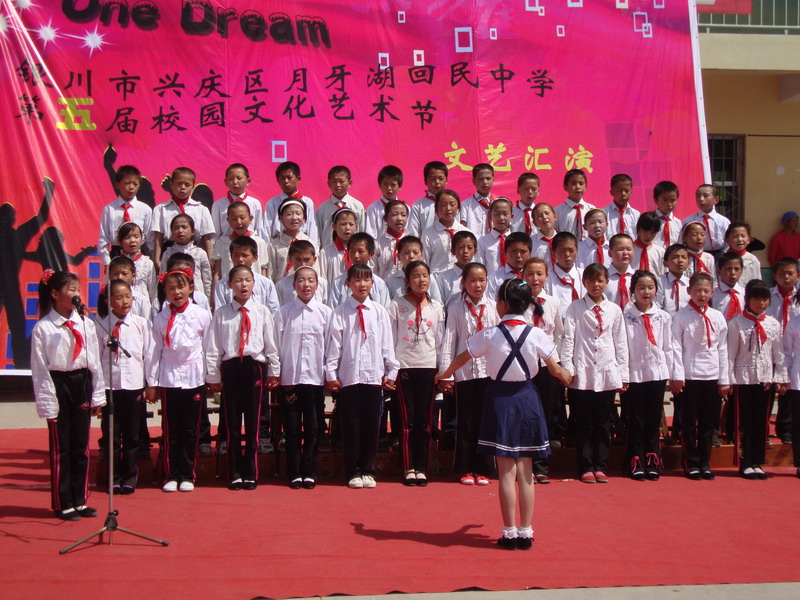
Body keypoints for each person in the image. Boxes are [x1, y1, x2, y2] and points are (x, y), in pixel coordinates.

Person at [436, 278, 572, 550]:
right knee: (526, 471)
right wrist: (566, 375)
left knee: (506, 471)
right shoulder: (536, 334)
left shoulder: (490, 334)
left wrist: (445, 374)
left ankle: (509, 532)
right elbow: (555, 369)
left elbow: (463, 356)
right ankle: (526, 531)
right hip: (527, 401)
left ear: (502, 304)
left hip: (500, 401)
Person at [31, 270, 105, 520]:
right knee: (61, 447)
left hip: (81, 381)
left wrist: (97, 394)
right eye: (71, 290)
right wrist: (48, 404)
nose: (76, 294)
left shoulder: (85, 323)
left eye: (78, 290)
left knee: (80, 445)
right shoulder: (44, 328)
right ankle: (63, 502)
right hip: (58, 384)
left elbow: (95, 361)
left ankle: (80, 500)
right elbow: (40, 369)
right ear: (54, 294)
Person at [206, 265, 280, 491]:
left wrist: (274, 371)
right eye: (238, 280)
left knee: (254, 422)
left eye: (247, 280)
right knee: (232, 424)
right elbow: (214, 347)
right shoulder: (222, 313)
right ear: (230, 285)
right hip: (231, 367)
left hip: (254, 367)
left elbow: (271, 344)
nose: (243, 285)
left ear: (254, 283)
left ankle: (251, 472)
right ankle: (234, 472)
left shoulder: (262, 311)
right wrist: (213, 375)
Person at [325, 264, 399, 489]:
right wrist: (331, 373)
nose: (362, 284)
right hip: (349, 376)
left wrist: (391, 371)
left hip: (373, 376)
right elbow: (334, 346)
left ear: (372, 283)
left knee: (372, 425)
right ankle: (352, 471)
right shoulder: (340, 312)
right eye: (357, 280)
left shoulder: (379, 312)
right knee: (351, 426)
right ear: (348, 284)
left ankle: (368, 469)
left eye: (366, 280)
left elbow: (387, 344)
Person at [561, 263, 629, 483]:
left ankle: (601, 465)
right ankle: (585, 466)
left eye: (600, 280)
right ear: (584, 282)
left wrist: (623, 374)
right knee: (584, 422)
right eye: (591, 280)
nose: (596, 285)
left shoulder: (614, 310)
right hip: (583, 372)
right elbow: (568, 339)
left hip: (606, 372)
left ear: (607, 282)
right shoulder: (575, 308)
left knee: (603, 422)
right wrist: (568, 367)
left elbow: (620, 342)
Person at [149, 266, 212, 493]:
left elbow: (209, 348)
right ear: (165, 291)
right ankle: (171, 474)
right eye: (171, 288)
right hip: (169, 377)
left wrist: (211, 376)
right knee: (171, 429)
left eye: (181, 287)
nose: (176, 292)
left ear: (191, 288)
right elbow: (154, 352)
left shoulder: (202, 315)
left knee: (189, 429)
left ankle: (187, 474)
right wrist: (152, 382)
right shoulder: (160, 319)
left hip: (194, 377)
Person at [439, 263, 499, 485]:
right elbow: (449, 341)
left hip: (488, 373)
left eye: (481, 280)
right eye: (472, 280)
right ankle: (465, 468)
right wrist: (447, 374)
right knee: (465, 422)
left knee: (485, 421)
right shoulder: (456, 308)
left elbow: (499, 340)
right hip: (464, 373)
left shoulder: (493, 307)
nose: (477, 285)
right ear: (463, 283)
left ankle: (484, 468)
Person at [96, 279, 156, 494]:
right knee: (112, 435)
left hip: (133, 386)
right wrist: (97, 390)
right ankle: (113, 476)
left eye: (128, 296)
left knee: (132, 435)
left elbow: (149, 355)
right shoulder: (101, 326)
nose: (125, 301)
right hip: (110, 388)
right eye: (119, 297)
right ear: (108, 300)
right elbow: (96, 359)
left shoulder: (141, 324)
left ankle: (129, 476)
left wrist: (151, 384)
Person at [275, 267, 333, 488]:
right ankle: (294, 471)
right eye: (301, 280)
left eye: (310, 280)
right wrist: (276, 373)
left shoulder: (325, 313)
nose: (306, 285)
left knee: (313, 427)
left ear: (317, 285)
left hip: (315, 379)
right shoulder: (283, 313)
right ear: (294, 285)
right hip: (290, 379)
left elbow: (330, 347)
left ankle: (309, 470)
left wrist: (329, 373)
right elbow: (276, 346)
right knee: (291, 428)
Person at [388, 261, 445, 486]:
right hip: (405, 367)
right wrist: (391, 369)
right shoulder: (397, 305)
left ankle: (422, 467)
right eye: (416, 276)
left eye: (425, 276)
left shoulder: (436, 306)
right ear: (407, 281)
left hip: (428, 367)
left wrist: (442, 370)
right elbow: (390, 339)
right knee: (407, 421)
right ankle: (408, 467)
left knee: (425, 421)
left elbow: (440, 341)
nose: (421, 280)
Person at [670, 272, 730, 480]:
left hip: (711, 375)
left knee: (708, 423)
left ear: (712, 292)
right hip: (690, 376)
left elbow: (723, 349)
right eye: (697, 290)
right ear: (689, 291)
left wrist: (724, 379)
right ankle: (690, 462)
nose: (701, 295)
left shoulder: (717, 316)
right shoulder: (681, 317)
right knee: (688, 423)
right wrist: (678, 376)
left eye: (706, 291)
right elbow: (676, 347)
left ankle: (705, 462)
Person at [728, 280, 788, 479]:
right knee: (744, 421)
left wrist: (781, 377)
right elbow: (731, 354)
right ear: (747, 300)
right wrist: (728, 379)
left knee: (761, 422)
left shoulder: (772, 324)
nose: (761, 303)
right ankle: (744, 461)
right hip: (743, 379)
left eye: (765, 299)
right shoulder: (737, 323)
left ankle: (757, 461)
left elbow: (778, 353)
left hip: (765, 379)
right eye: (757, 299)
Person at [622, 270, 674, 480]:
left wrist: (672, 373)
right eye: (641, 287)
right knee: (636, 419)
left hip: (657, 372)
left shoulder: (663, 317)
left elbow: (668, 346)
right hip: (635, 373)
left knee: (653, 419)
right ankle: (636, 460)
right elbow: (622, 347)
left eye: (650, 287)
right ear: (633, 290)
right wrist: (623, 374)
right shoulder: (625, 317)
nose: (646, 292)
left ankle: (652, 459)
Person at [522, 257, 565, 483]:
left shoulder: (553, 302)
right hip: (524, 365)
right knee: (526, 413)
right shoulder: (518, 302)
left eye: (539, 274)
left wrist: (556, 361)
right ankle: (524, 463)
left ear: (546, 276)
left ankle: (541, 465)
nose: (535, 278)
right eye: (530, 274)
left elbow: (559, 333)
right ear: (523, 277)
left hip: (547, 365)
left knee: (546, 414)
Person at [151, 167, 215, 269]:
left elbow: (207, 237)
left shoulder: (201, 209)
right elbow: (158, 236)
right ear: (171, 184)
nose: (182, 188)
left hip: (194, 252)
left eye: (187, 184)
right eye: (179, 184)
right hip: (170, 252)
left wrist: (210, 258)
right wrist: (156, 259)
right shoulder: (161, 209)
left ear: (193, 186)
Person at [767, 257, 800, 444]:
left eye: (790, 273)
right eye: (782, 273)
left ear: (798, 275)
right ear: (774, 276)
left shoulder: (799, 297)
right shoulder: (768, 297)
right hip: (770, 349)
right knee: (768, 392)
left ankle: (785, 429)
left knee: (789, 391)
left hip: (793, 351)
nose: (786, 277)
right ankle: (763, 430)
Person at [97, 164, 153, 268]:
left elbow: (150, 238)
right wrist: (107, 262)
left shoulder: (145, 209)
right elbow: (103, 237)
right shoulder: (109, 209)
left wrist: (152, 259)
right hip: (116, 253)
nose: (131, 187)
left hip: (139, 254)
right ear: (117, 184)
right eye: (127, 183)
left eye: (135, 184)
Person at [213, 236, 280, 314]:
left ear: (255, 257)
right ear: (231, 257)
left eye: (244, 255)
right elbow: (219, 311)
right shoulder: (222, 285)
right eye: (236, 255)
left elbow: (274, 311)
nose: (240, 259)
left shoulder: (266, 284)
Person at [211, 202, 269, 291]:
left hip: (253, 290)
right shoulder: (222, 243)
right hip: (228, 290)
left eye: (242, 218)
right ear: (228, 220)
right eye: (234, 219)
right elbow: (217, 273)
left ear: (250, 219)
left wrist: (263, 290)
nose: (238, 222)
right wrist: (214, 295)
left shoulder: (259, 242)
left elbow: (263, 270)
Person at [327, 233, 391, 308]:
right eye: (352, 251)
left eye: (360, 252)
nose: (356, 256)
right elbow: (333, 309)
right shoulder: (339, 282)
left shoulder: (379, 284)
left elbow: (385, 310)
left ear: (371, 254)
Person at [262, 161, 318, 243]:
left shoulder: (307, 202)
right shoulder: (272, 203)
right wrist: (267, 248)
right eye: (282, 178)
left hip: (303, 245)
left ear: (298, 179)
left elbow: (312, 227)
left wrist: (313, 247)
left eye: (289, 177)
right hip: (279, 244)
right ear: (278, 181)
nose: (286, 181)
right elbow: (266, 229)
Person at [161, 214, 213, 301]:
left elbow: (207, 279)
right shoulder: (167, 254)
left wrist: (208, 298)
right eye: (176, 228)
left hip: (197, 296)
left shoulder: (200, 253)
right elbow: (163, 278)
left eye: (184, 227)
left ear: (193, 231)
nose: (180, 231)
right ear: (172, 232)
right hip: (175, 298)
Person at [265, 198, 317, 282]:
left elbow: (316, 271)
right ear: (281, 218)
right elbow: (271, 273)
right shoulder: (274, 245)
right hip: (280, 287)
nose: (294, 218)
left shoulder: (310, 243)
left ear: (304, 217)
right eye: (289, 214)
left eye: (298, 213)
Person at [316, 165, 365, 248]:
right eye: (334, 182)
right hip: (328, 251)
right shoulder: (323, 208)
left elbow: (361, 229)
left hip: (352, 250)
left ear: (350, 183)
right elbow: (318, 233)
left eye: (341, 181)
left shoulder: (357, 206)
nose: (338, 185)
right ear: (328, 183)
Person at [421, 189, 469, 273]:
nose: (448, 208)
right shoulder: (428, 234)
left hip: (461, 277)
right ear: (436, 208)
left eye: (452, 204)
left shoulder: (466, 233)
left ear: (458, 207)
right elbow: (425, 261)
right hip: (436, 278)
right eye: (443, 205)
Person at [384, 236, 443, 303]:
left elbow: (438, 303)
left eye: (415, 252)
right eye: (406, 252)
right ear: (398, 256)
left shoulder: (428, 278)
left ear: (421, 256)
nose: (411, 256)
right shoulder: (391, 281)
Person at [211, 163, 263, 238]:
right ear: (226, 182)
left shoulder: (255, 203)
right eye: (231, 179)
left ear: (248, 181)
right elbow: (216, 232)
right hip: (226, 243)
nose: (235, 182)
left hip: (249, 242)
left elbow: (258, 229)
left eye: (239, 178)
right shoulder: (218, 205)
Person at [275, 240, 328, 306]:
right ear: (290, 260)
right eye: (298, 260)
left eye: (307, 260)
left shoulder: (322, 283)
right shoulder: (282, 285)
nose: (303, 264)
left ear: (314, 260)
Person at [681, 184, 730, 254]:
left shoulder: (723, 221)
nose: (701, 199)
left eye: (705, 196)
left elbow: (729, 241)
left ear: (716, 200)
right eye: (698, 196)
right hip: (695, 254)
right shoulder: (688, 221)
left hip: (720, 254)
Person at [436, 231, 478, 306]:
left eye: (469, 248)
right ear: (453, 251)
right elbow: (439, 304)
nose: (465, 251)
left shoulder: (480, 277)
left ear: (475, 251)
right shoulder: (443, 278)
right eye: (461, 247)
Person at [486, 232, 532, 300]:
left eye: (523, 251)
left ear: (530, 253)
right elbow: (491, 302)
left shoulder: (534, 277)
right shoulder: (495, 277)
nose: (518, 256)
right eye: (514, 251)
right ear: (505, 252)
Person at [318, 207, 358, 286]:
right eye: (343, 224)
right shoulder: (325, 253)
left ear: (356, 226)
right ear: (334, 227)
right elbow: (323, 279)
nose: (347, 228)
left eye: (351, 224)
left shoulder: (360, 252)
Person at [118, 222, 156, 304]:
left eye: (136, 237)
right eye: (127, 237)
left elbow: (153, 292)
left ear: (142, 239)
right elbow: (108, 289)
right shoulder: (115, 263)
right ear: (120, 242)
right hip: (121, 304)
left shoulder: (147, 263)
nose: (132, 240)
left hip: (143, 304)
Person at [408, 161, 449, 238]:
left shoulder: (452, 204)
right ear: (425, 181)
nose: (437, 182)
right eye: (433, 179)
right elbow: (414, 232)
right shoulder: (418, 206)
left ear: (446, 180)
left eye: (441, 179)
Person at [544, 231, 585, 306]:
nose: (567, 255)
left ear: (577, 251)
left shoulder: (584, 275)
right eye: (562, 251)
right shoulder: (547, 277)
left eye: (571, 250)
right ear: (553, 254)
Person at [554, 169, 595, 242]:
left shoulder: (591, 209)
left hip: (588, 247)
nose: (578, 187)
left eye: (581, 183)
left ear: (586, 186)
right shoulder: (557, 211)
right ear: (565, 187)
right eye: (573, 183)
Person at [477, 197, 516, 273]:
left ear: (512, 216)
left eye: (505, 214)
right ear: (490, 216)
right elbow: (480, 266)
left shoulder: (517, 240)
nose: (501, 218)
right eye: (496, 214)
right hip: (491, 279)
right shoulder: (483, 242)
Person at [365, 165, 403, 239]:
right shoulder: (373, 208)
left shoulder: (406, 209)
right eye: (385, 184)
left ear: (400, 186)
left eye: (393, 185)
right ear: (380, 185)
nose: (389, 188)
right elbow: (370, 234)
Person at [374, 199, 409, 279]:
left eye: (403, 215)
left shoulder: (411, 242)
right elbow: (373, 271)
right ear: (385, 218)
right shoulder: (378, 243)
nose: (399, 218)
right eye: (394, 214)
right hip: (383, 285)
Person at [656, 243, 691, 316]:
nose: (680, 260)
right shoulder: (659, 281)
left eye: (684, 257)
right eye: (675, 257)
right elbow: (657, 306)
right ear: (665, 263)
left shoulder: (690, 283)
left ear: (688, 263)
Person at [460, 163, 496, 235]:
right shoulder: (466, 204)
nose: (485, 182)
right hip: (473, 241)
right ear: (474, 181)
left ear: (493, 180)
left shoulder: (498, 203)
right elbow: (462, 228)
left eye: (488, 178)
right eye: (481, 179)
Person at [725, 221, 761, 288]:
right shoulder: (723, 259)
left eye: (743, 236)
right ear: (727, 240)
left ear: (748, 240)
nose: (739, 239)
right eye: (735, 236)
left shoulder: (753, 260)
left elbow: (758, 282)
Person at [604, 234, 635, 309]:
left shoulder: (637, 277)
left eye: (629, 249)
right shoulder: (603, 277)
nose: (625, 253)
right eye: (621, 249)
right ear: (610, 253)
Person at [711, 252, 745, 321]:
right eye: (728, 269)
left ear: (741, 271)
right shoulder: (712, 294)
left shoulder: (745, 293)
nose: (733, 273)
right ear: (719, 271)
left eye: (736, 269)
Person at [652, 181, 682, 248]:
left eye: (673, 200)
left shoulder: (678, 223)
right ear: (656, 200)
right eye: (665, 200)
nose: (669, 204)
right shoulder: (650, 220)